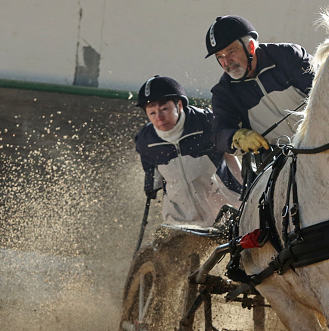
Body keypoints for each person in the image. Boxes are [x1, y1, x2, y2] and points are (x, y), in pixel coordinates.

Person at [134, 75, 242, 227]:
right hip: (180, 218)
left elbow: (230, 148)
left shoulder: (205, 122)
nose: (159, 117)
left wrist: (245, 185)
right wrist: (150, 187)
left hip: (224, 208)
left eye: (164, 109)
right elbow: (150, 168)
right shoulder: (146, 140)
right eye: (152, 113)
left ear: (179, 105)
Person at [205, 15, 315, 157]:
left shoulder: (289, 56)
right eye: (220, 56)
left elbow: (325, 93)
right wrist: (235, 136)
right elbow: (219, 134)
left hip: (324, 140)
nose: (226, 62)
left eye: (231, 52)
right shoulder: (224, 92)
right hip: (280, 160)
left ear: (251, 47)